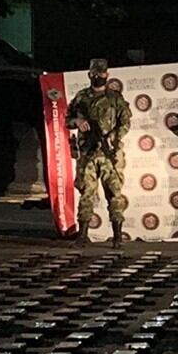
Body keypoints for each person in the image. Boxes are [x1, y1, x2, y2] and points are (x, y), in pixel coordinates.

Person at [66, 58, 132, 249]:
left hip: (109, 154)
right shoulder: (81, 97)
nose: (98, 77)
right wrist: (77, 122)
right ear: (89, 75)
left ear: (107, 75)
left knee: (114, 193)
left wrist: (113, 137)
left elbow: (125, 122)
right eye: (95, 74)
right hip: (87, 153)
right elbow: (67, 119)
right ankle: (83, 235)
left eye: (101, 74)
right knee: (87, 193)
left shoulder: (115, 98)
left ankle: (117, 236)